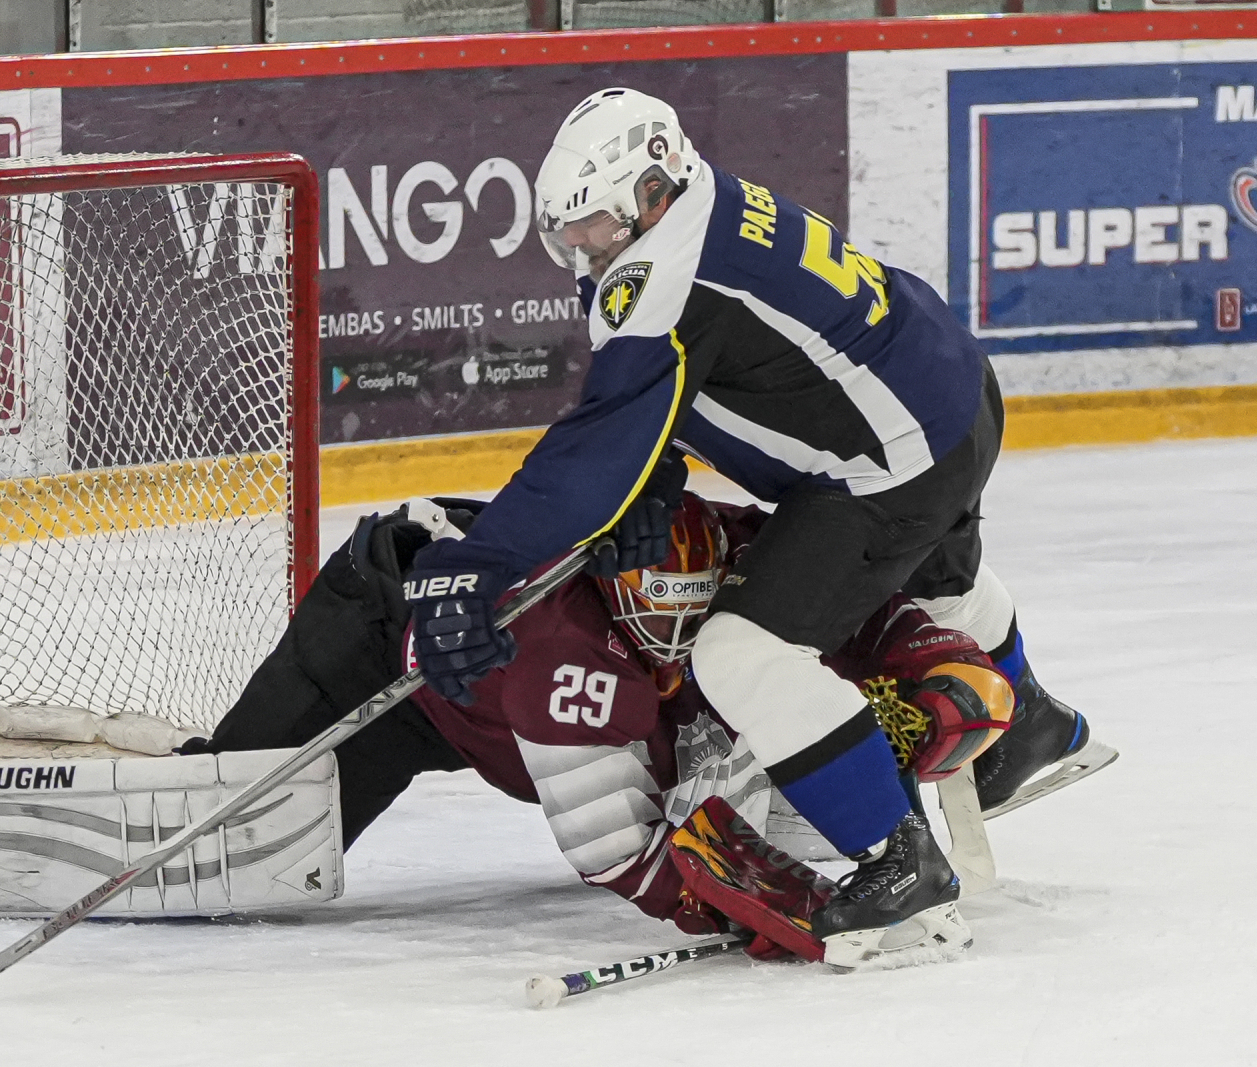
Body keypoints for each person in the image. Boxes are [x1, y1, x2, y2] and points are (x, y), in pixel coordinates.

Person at [398, 88, 1116, 968]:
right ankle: (1029, 715)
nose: (581, 244)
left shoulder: (663, 273)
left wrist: (477, 563)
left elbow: (594, 451)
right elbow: (693, 384)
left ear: (652, 191)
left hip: (894, 460)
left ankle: (901, 863)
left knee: (741, 653)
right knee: (930, 570)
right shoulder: (705, 202)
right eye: (568, 229)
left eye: (594, 224)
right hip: (951, 387)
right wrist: (650, 479)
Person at [194, 493, 1013, 960]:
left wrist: (932, 653)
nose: (678, 640)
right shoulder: (560, 648)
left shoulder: (733, 549)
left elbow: (844, 600)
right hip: (390, 663)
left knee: (757, 716)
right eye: (658, 622)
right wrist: (750, 908)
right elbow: (616, 851)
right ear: (616, 600)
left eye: (696, 616)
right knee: (230, 852)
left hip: (510, 677)